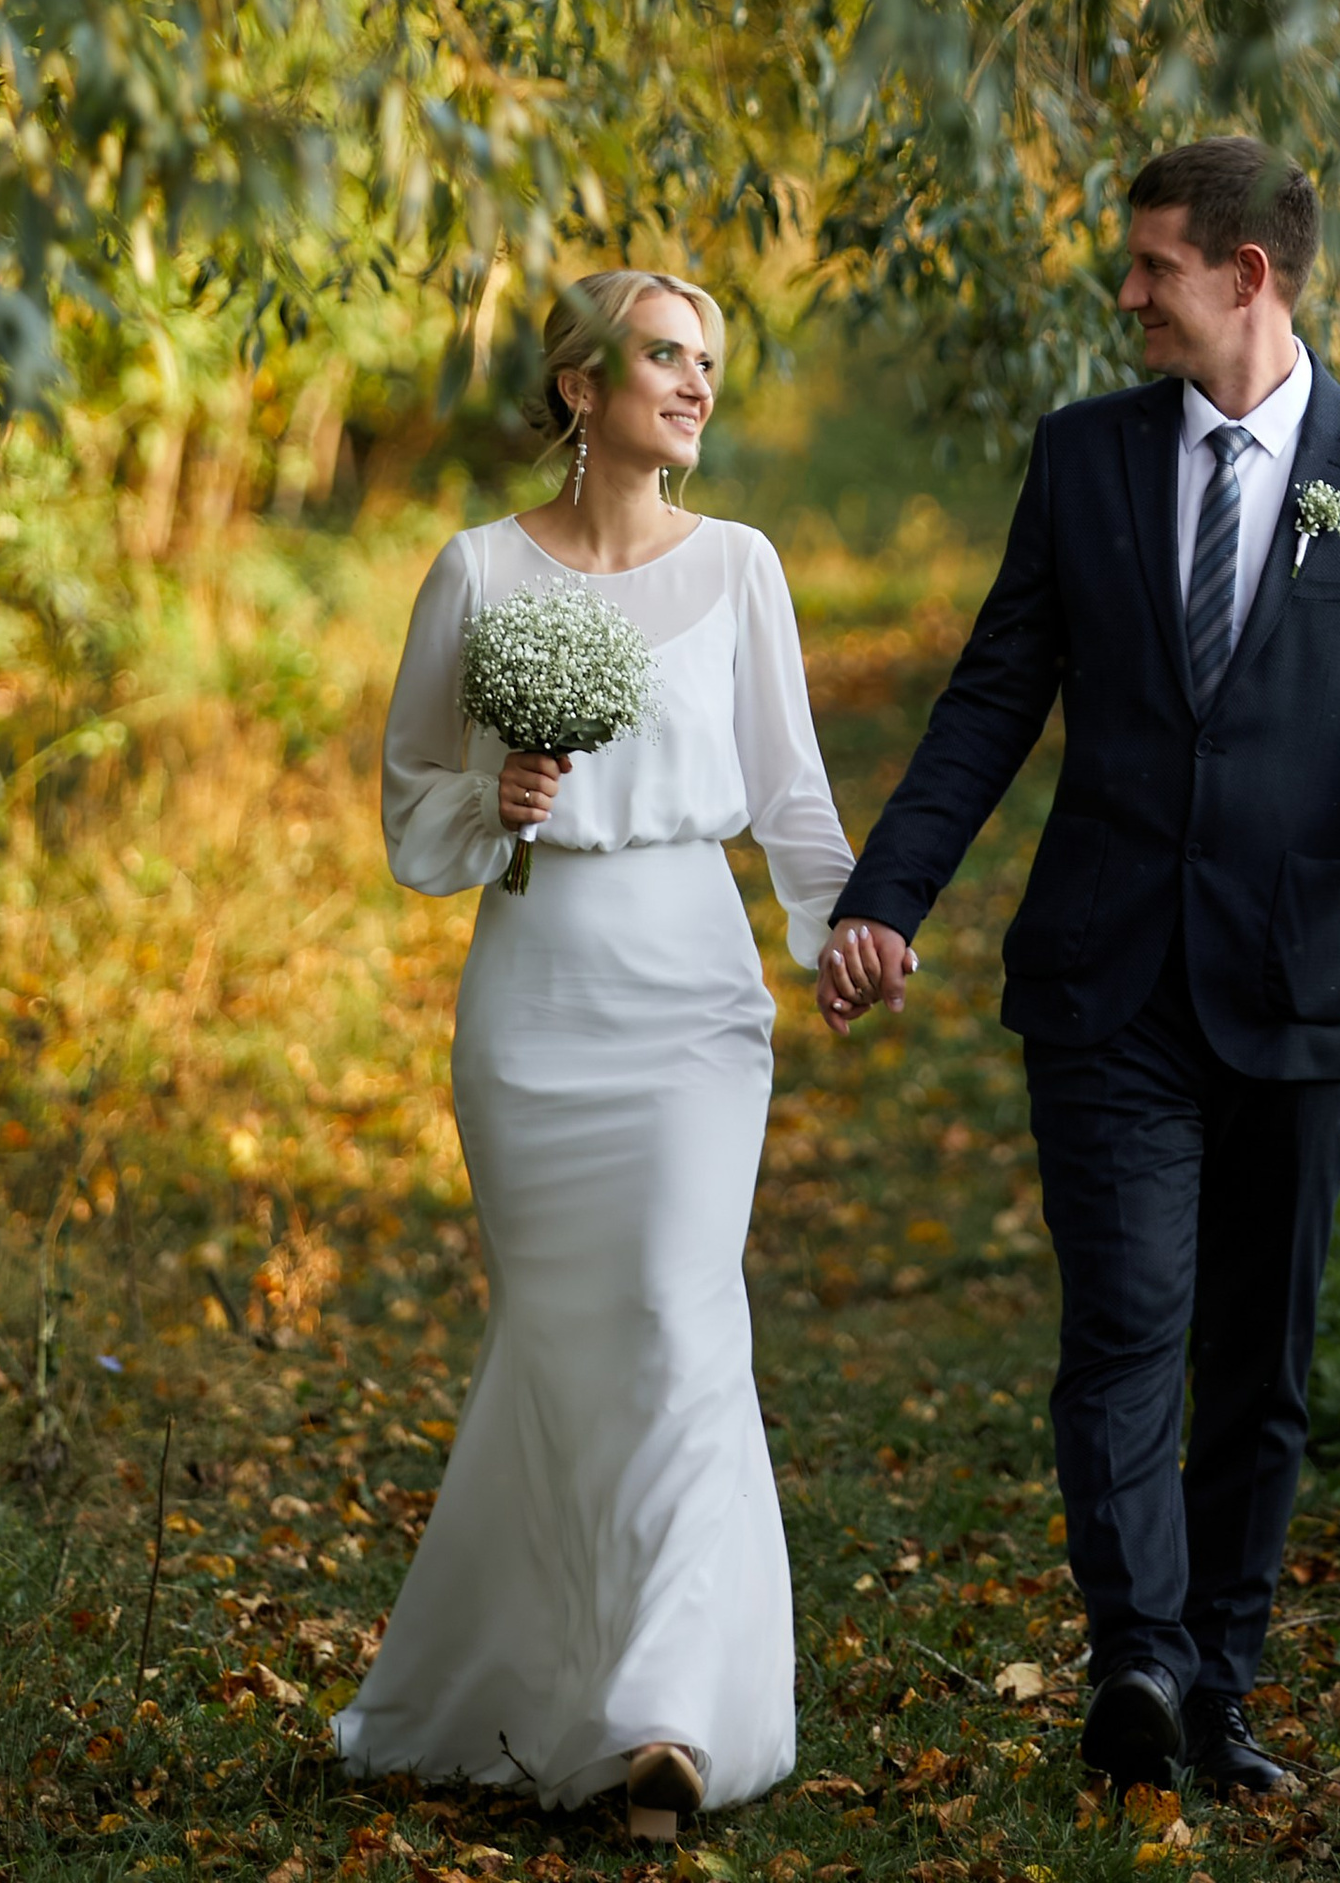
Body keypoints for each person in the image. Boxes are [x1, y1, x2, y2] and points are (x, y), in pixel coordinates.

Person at [818, 140, 1340, 1804]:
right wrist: (886, 893)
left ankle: (1224, 1680)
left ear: (1249, 275)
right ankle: (1137, 1656)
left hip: (1305, 980)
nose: (1126, 292)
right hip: (1106, 974)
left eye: (1154, 266)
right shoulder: (1083, 460)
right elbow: (993, 697)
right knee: (1124, 1329)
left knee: (1258, 1363)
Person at [333, 269, 855, 1845]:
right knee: (568, 1342)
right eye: (664, 354)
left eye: (710, 359)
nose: (695, 383)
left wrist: (850, 928)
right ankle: (535, 1681)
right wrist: (492, 801)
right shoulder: (478, 571)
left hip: (694, 997)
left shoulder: (747, 567)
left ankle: (672, 1715)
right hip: (534, 1000)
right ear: (580, 385)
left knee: (679, 1320)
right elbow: (411, 783)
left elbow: (794, 796)